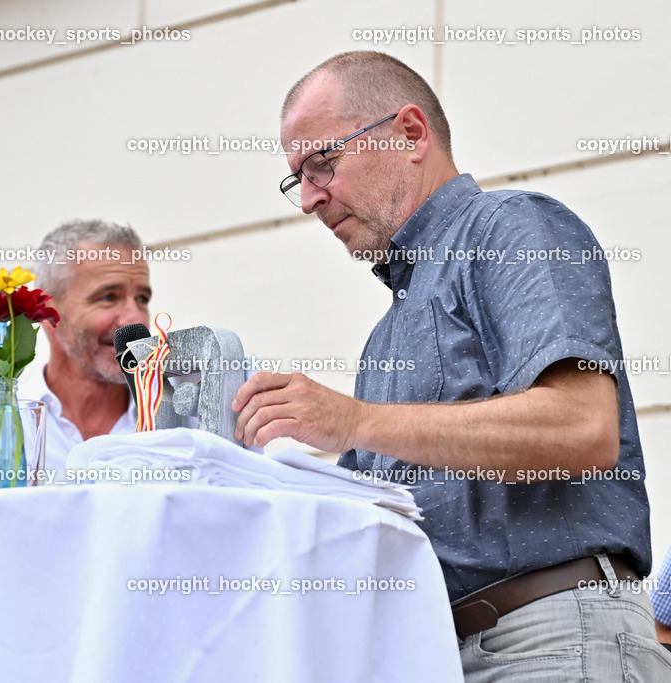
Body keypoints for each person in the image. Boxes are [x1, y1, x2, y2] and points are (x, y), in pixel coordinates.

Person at [232, 51, 671, 679]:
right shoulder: (385, 338)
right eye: (295, 178)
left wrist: (354, 422)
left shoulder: (510, 226)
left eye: (321, 163)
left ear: (410, 133)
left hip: (548, 639)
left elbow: (583, 429)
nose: (308, 199)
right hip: (432, 653)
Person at [21, 219, 151, 476]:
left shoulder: (179, 421)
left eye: (142, 298)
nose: (134, 318)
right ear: (46, 312)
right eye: (108, 297)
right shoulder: (0, 424)